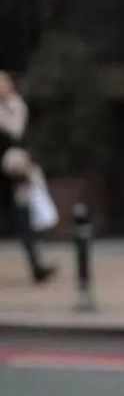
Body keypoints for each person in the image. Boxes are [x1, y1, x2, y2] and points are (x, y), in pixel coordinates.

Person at [0, 71, 56, 284]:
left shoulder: (18, 106)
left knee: (23, 219)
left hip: (15, 171)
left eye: (3, 83)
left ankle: (37, 267)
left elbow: (17, 133)